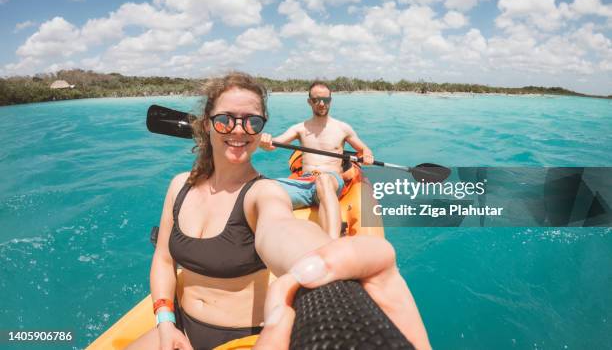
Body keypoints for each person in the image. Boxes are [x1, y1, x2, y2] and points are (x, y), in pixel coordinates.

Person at [127, 72, 430, 350]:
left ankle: (333, 235)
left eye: (252, 122)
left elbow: (281, 229)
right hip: (177, 323)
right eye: (225, 120)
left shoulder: (264, 193)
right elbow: (164, 260)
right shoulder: (180, 185)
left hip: (236, 338)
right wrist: (165, 321)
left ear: (260, 128)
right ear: (207, 124)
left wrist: (326, 263)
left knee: (325, 183)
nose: (238, 130)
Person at [260, 81, 374, 238]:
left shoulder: (343, 128)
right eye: (316, 100)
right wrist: (265, 141)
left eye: (325, 100)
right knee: (264, 188)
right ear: (309, 102)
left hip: (331, 180)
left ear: (330, 101)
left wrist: (367, 156)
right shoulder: (299, 128)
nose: (321, 104)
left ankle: (330, 243)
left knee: (323, 180)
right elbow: (274, 144)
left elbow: (363, 150)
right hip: (305, 183)